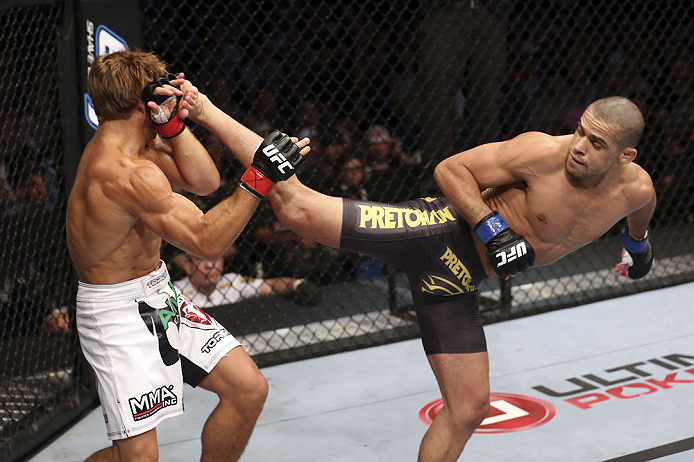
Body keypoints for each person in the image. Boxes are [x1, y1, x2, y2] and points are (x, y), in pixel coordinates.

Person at [186, 93, 656, 461]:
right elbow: (450, 169)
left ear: (625, 156)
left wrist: (637, 246)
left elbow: (642, 209)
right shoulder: (540, 152)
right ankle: (206, 109)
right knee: (297, 208)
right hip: (436, 234)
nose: (579, 146)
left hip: (459, 282)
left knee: (469, 409)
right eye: (580, 132)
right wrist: (493, 229)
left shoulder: (636, 189)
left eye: (597, 144)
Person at [65, 50, 306, 461]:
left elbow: (205, 181)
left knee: (247, 391)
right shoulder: (123, 171)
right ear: (145, 101)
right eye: (164, 93)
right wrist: (259, 178)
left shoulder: (138, 145)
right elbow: (206, 241)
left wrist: (174, 128)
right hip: (115, 314)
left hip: (157, 291)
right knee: (139, 458)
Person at [172, 252, 321, 307]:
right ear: (188, 266)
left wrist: (297, 284)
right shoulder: (174, 292)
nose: (209, 266)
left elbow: (269, 286)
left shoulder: (232, 281)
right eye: (200, 260)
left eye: (215, 259)